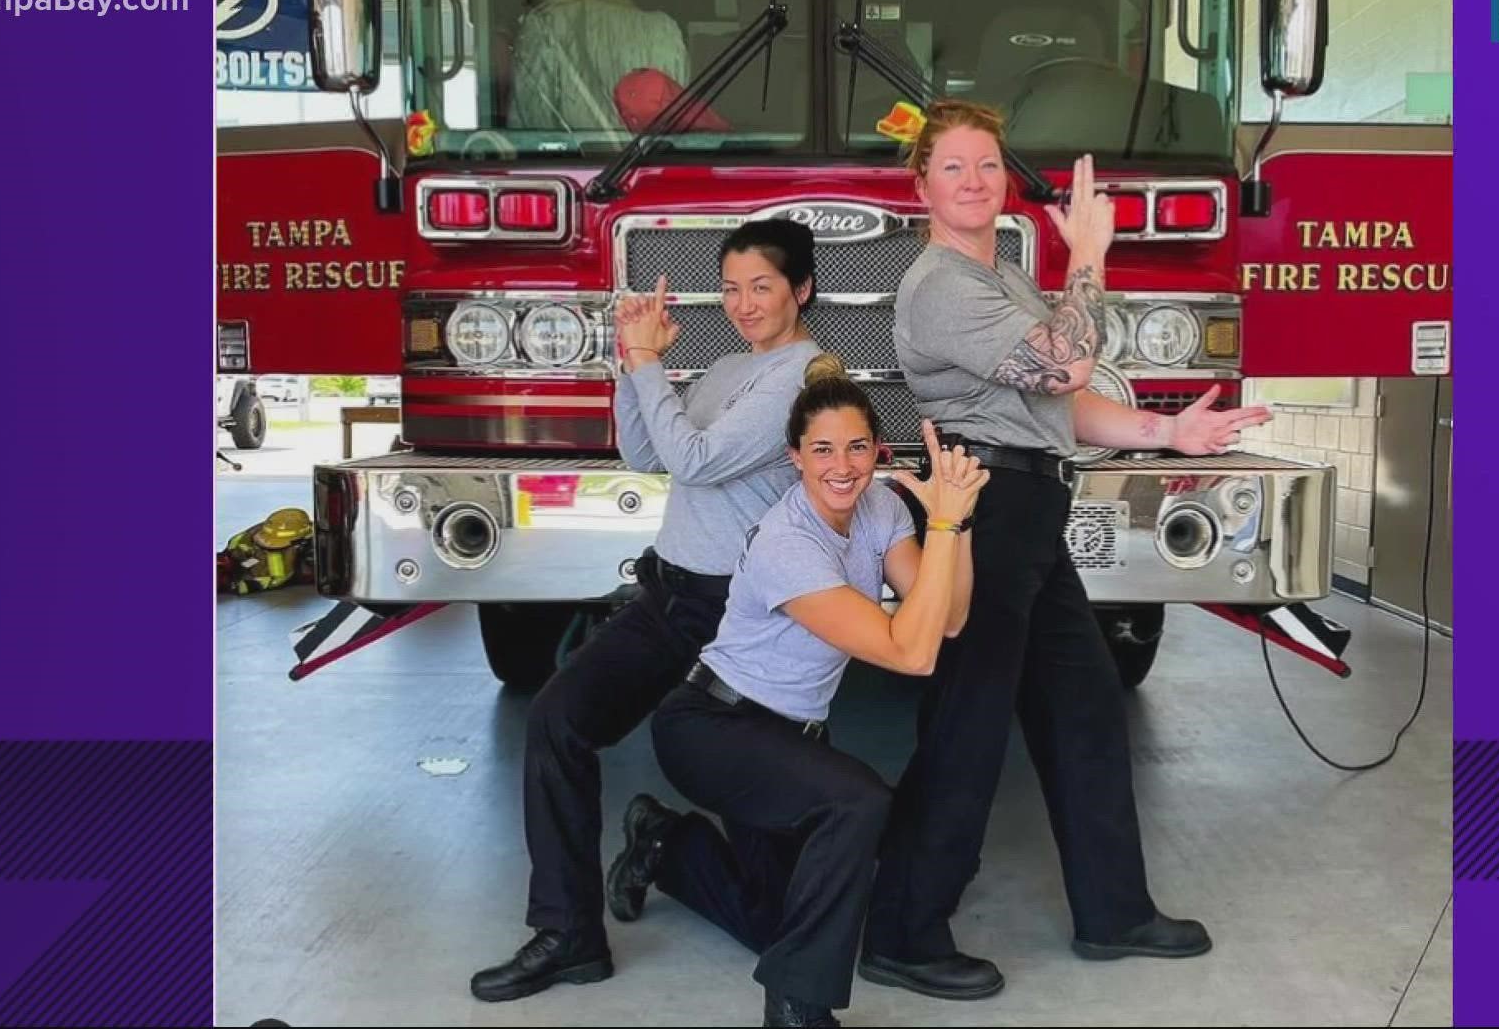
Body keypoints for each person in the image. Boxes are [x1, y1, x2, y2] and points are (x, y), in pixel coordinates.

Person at [858, 99, 1274, 1000]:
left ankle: (1113, 910)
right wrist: (1088, 257)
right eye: (954, 166)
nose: (975, 180)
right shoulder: (938, 285)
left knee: (1083, 708)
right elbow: (1064, 366)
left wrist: (1166, 434)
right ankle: (902, 928)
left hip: (1030, 502)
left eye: (987, 165)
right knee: (968, 722)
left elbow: (1055, 402)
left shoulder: (1003, 278)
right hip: (988, 507)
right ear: (921, 184)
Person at [470, 219, 821, 1003]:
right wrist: (630, 364)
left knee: (770, 922)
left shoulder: (802, 379)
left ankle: (665, 842)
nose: (743, 303)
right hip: (669, 596)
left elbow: (695, 457)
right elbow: (649, 454)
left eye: (761, 286)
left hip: (742, 620)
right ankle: (567, 933)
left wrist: (648, 362)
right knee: (558, 721)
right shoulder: (730, 367)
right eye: (730, 288)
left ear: (800, 290)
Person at [605, 361, 988, 1028]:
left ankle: (662, 844)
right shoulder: (789, 542)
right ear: (795, 458)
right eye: (822, 450)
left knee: (779, 925)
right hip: (713, 728)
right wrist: (947, 530)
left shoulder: (880, 508)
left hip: (786, 737)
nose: (841, 466)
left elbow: (949, 619)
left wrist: (958, 521)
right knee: (858, 803)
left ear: (877, 451)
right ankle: (796, 1009)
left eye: (856, 447)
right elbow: (911, 650)